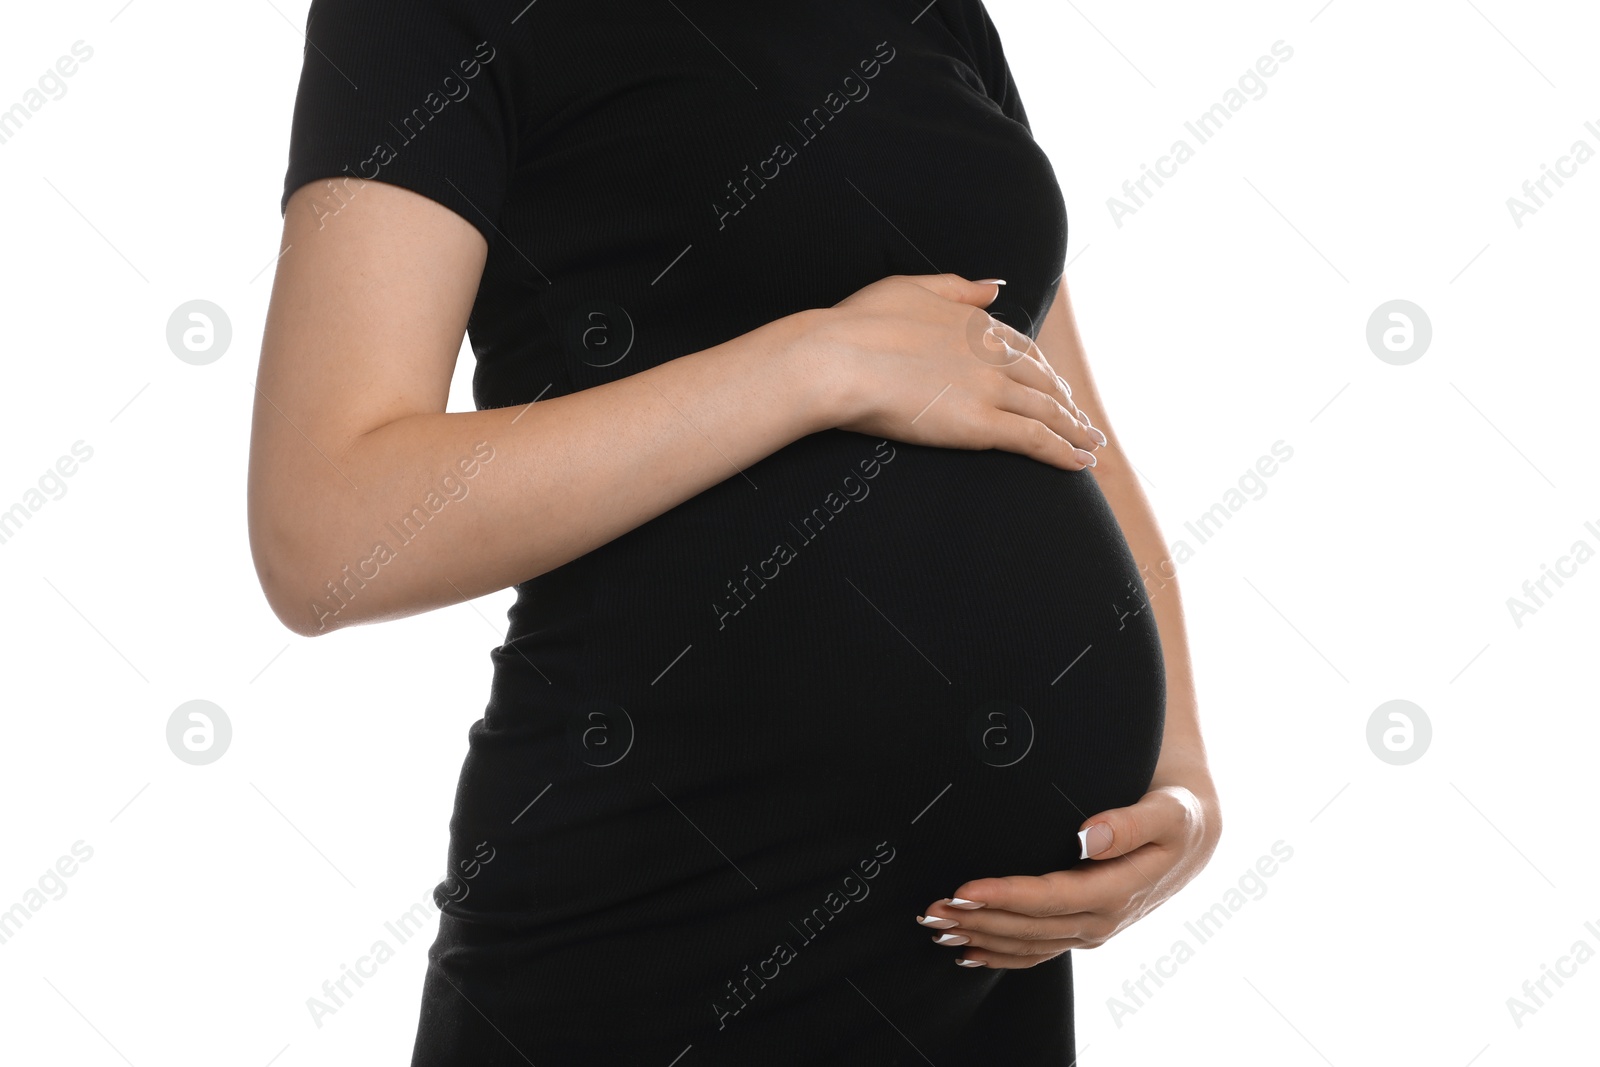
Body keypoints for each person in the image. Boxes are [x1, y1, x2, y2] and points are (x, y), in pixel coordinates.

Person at [249, 0, 1222, 1062]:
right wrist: (809, 366)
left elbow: (1061, 418)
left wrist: (1181, 777)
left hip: (977, 972)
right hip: (665, 923)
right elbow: (326, 529)